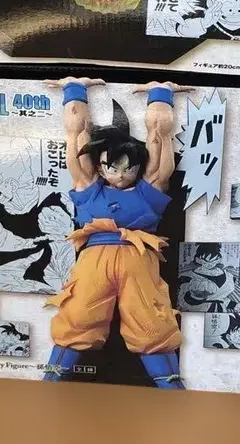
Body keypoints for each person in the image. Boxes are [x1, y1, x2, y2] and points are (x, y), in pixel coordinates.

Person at [42, 76, 191, 389]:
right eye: (112, 168)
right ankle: (51, 381)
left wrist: (161, 93)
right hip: (94, 260)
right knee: (78, 316)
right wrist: (74, 88)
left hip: (138, 258)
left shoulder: (149, 190)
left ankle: (171, 388)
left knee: (150, 321)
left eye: (128, 169)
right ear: (100, 167)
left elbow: (159, 137)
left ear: (137, 167)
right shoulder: (89, 189)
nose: (120, 176)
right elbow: (76, 135)